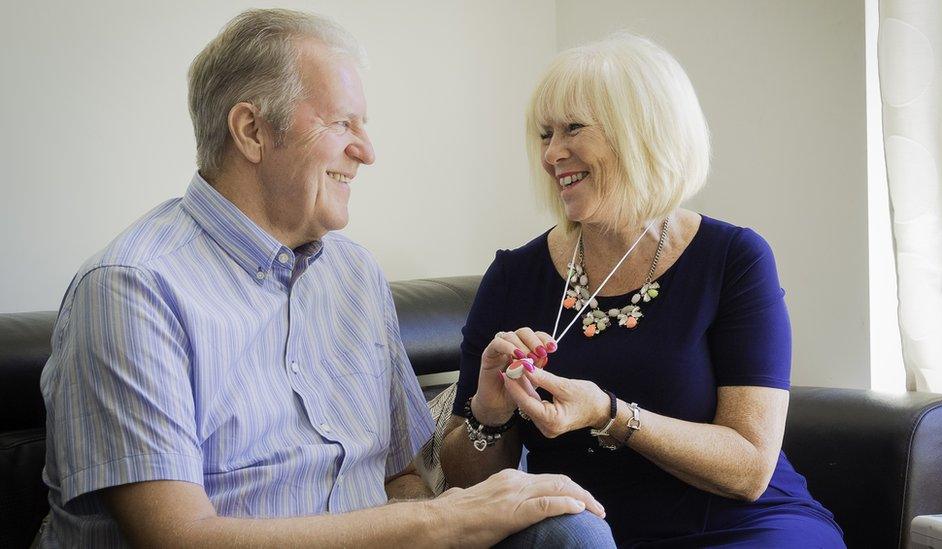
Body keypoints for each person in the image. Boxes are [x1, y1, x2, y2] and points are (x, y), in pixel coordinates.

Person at [37, 9, 614, 547]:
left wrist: (433, 508)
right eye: (342, 122)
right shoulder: (132, 289)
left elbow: (403, 474)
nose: (366, 151)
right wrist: (439, 520)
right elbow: (178, 536)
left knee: (570, 527)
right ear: (252, 132)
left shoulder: (355, 274)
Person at [440, 33, 846, 547]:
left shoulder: (733, 259)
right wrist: (489, 414)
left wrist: (610, 415)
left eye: (572, 130)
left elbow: (750, 468)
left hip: (743, 524)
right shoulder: (514, 277)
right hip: (585, 532)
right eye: (545, 134)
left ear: (640, 133)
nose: (552, 154)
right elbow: (463, 483)